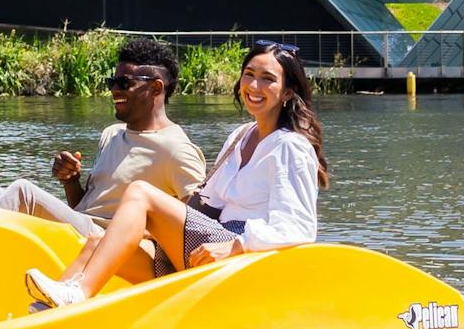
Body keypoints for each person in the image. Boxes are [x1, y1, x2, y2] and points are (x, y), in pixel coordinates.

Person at [24, 40, 328, 308]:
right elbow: (206, 203)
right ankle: (36, 322)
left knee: (141, 192)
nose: (254, 87)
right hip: (210, 246)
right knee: (95, 242)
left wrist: (236, 245)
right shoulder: (241, 136)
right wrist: (150, 226)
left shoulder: (291, 146)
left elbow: (299, 228)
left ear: (287, 92)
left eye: (267, 79)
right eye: (249, 75)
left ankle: (78, 294)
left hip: (241, 260)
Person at [0, 36, 205, 238]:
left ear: (155, 87)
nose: (114, 89)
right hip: (78, 226)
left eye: (124, 83)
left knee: (23, 192)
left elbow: (201, 224)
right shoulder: (111, 134)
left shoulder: (176, 149)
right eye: (111, 82)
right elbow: (85, 206)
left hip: (106, 242)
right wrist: (70, 181)